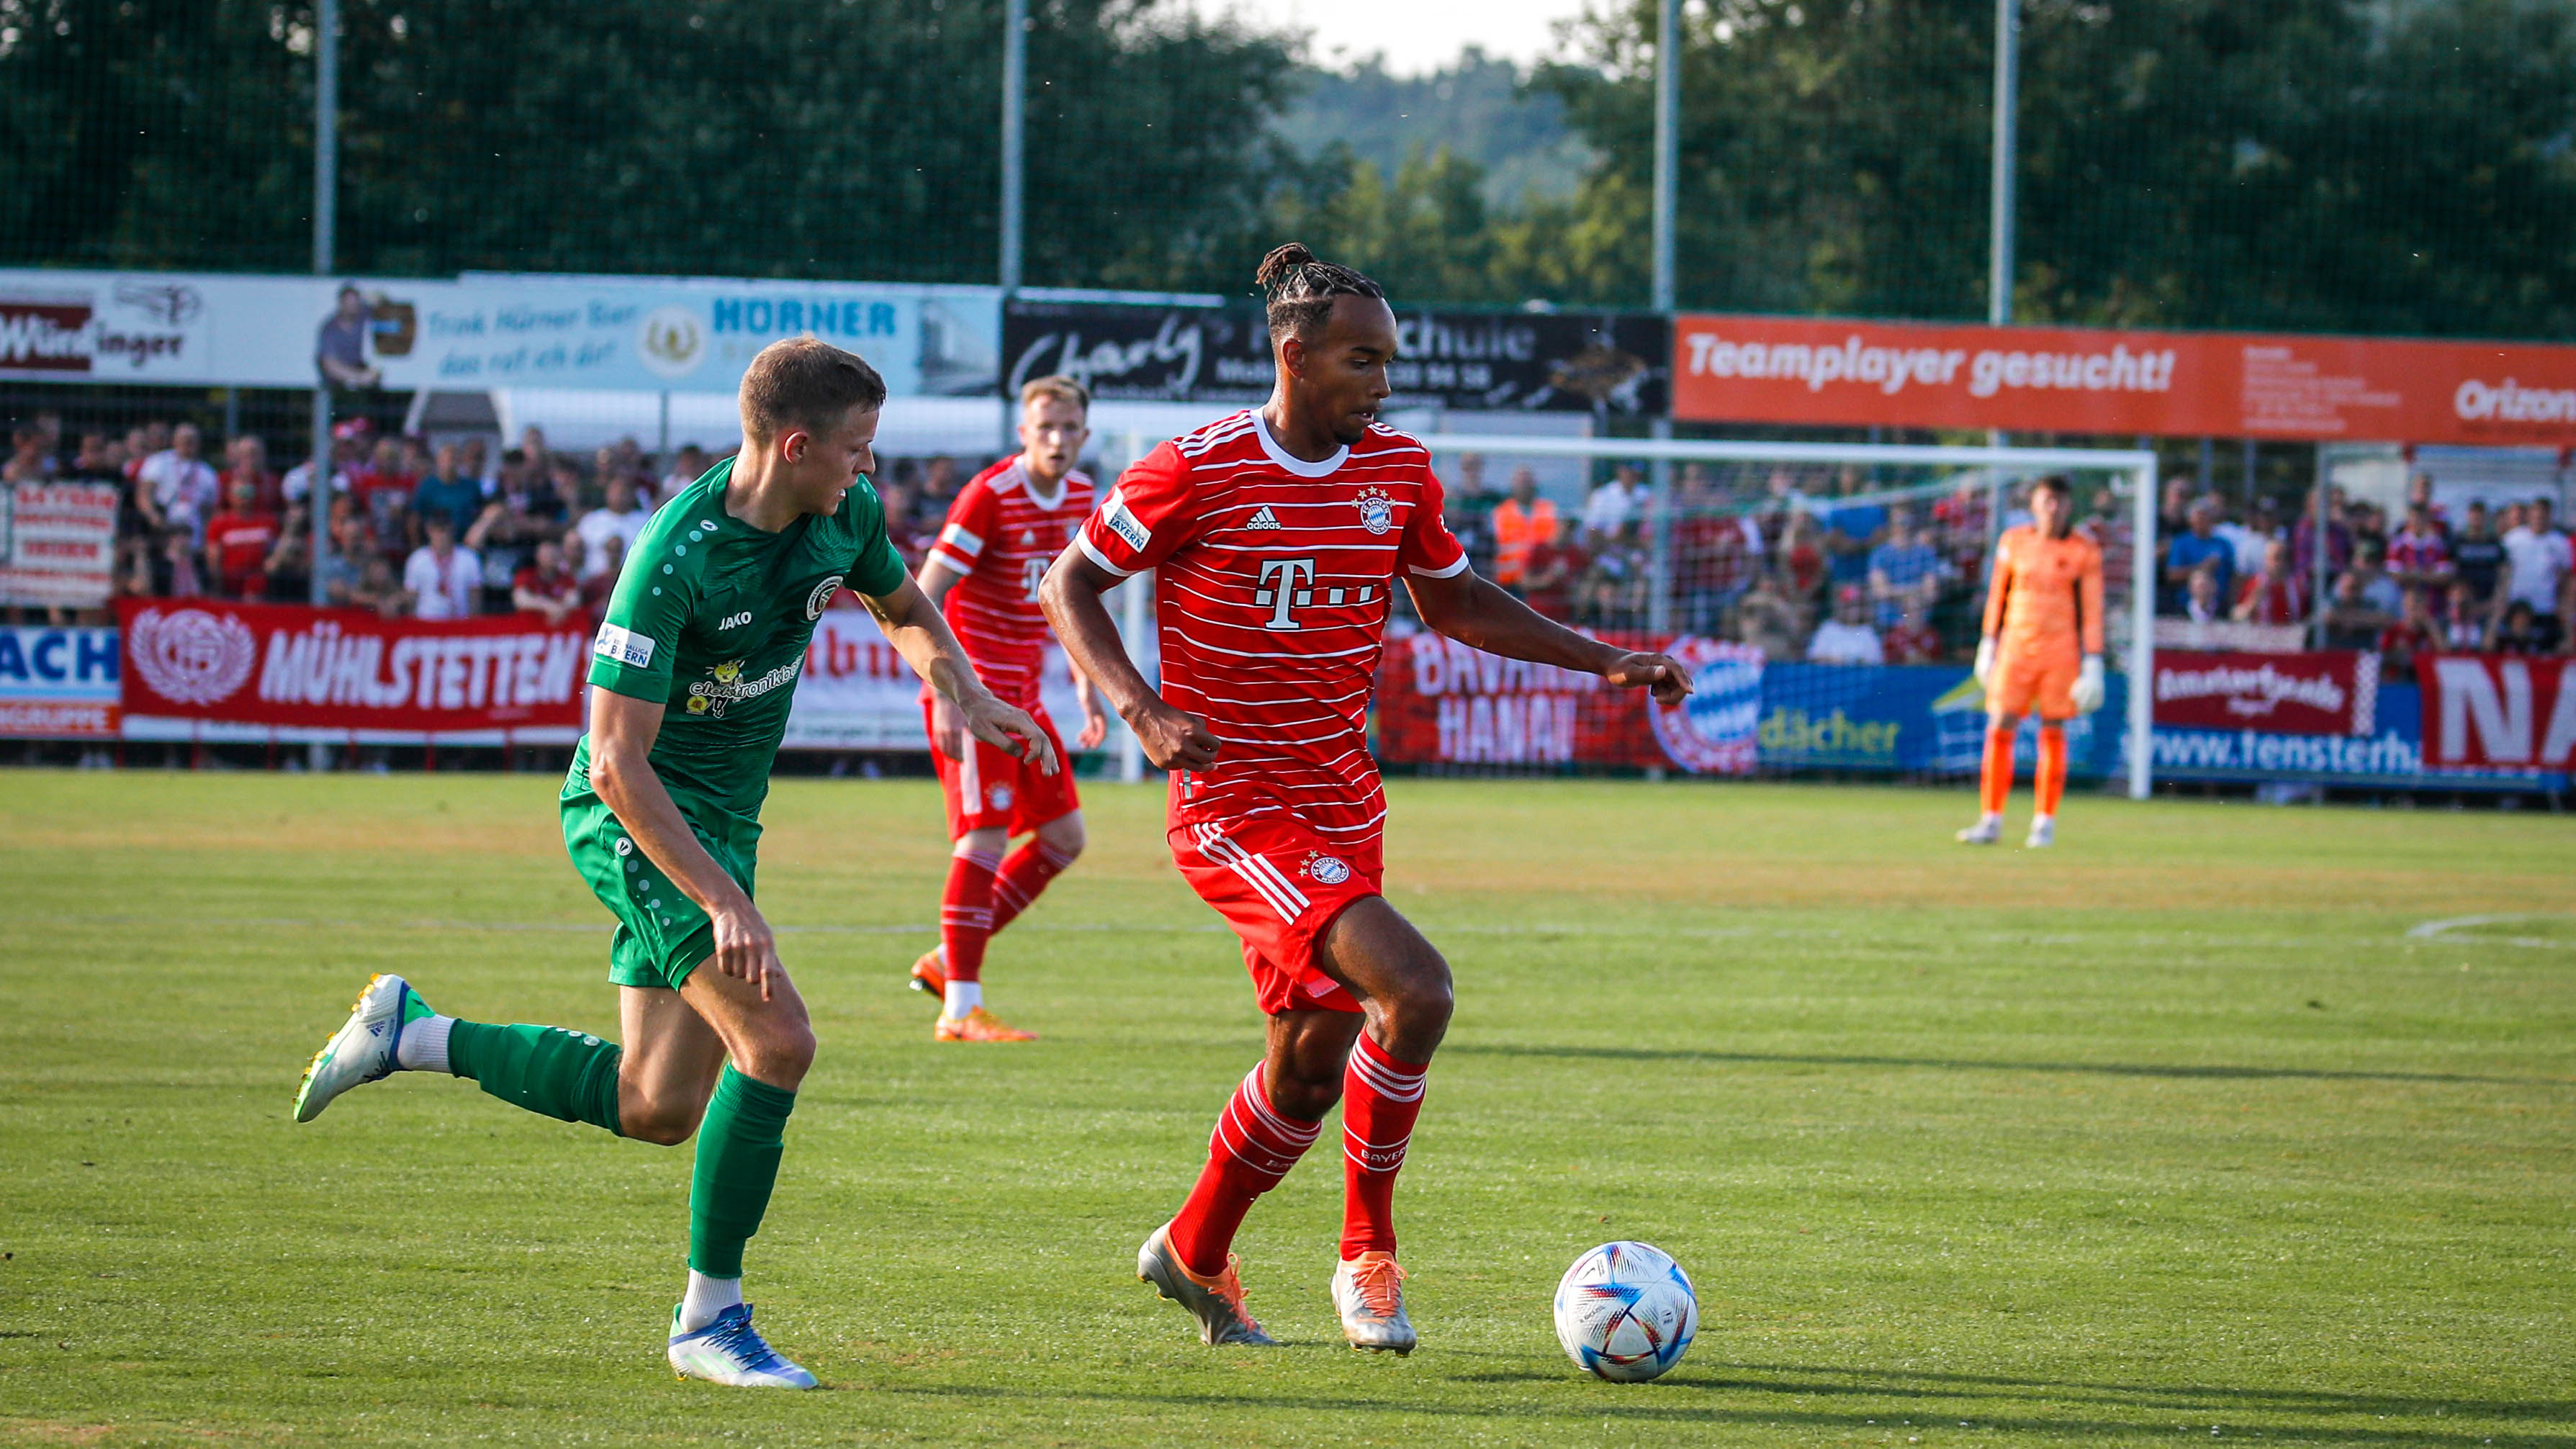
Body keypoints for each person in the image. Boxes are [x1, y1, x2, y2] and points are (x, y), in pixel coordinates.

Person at [292, 337, 1056, 1391]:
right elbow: (612, 764)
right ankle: (710, 1321)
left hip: (721, 828)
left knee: (658, 1105)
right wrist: (719, 897)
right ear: (796, 446)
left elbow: (905, 606)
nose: (868, 471)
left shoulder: (843, 515)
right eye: (856, 451)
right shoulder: (675, 557)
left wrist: (961, 691)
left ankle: (412, 1034)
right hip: (635, 819)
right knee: (779, 1040)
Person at [1040, 243, 1691, 1357]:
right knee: (1419, 991)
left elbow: (1458, 603)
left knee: (1307, 1065)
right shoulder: (1191, 469)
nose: (1382, 384)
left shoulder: (1396, 470)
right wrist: (1143, 714)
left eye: (1388, 362)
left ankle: (1192, 1249)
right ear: (1294, 355)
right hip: (1234, 811)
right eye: (1363, 360)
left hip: (1344, 804)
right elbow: (1071, 584)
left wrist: (1605, 662)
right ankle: (1366, 1256)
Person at [900, 375, 1110, 1041]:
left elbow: (1067, 596)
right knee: (984, 839)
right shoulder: (989, 495)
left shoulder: (1081, 496)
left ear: (1083, 433)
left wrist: (1082, 678)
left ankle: (947, 961)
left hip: (1024, 698)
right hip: (977, 697)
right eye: (1043, 426)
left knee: (1063, 838)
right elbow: (923, 590)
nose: (1056, 437)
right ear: (1023, 433)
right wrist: (944, 694)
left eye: (1067, 426)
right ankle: (960, 1006)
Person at [1960, 474, 2104, 851]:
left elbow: (2091, 612)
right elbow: (1997, 596)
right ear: (2034, 505)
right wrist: (1987, 644)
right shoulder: (2014, 543)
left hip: (2061, 651)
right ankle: (1990, 819)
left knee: (2053, 728)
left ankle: (2044, 823)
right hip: (2015, 647)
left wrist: (2094, 661)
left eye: (2060, 501)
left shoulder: (2083, 550)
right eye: (2047, 501)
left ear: (2070, 506)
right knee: (1999, 724)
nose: (2053, 508)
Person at [2500, 497, 2570, 651]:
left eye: (2544, 515)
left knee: (2544, 652)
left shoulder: (2559, 543)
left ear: (2550, 517)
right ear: (2530, 515)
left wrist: (2562, 605)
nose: (2540, 519)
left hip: (2545, 608)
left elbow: (2564, 578)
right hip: (2517, 608)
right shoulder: (2513, 539)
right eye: (2537, 515)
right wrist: (2502, 601)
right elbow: (2503, 574)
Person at [136, 423, 220, 546]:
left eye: (191, 440)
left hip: (193, 531)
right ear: (174, 441)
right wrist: (153, 516)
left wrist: (205, 531)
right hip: (163, 528)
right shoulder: (158, 462)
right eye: (184, 440)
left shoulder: (207, 473)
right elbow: (144, 494)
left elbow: (211, 509)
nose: (187, 443)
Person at [203, 474, 282, 599]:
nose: (244, 497)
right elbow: (213, 556)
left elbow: (276, 553)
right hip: (230, 583)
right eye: (240, 492)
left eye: (248, 492)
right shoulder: (219, 523)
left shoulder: (268, 521)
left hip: (261, 584)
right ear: (229, 495)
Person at [1865, 508, 1942, 629]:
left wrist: (1897, 592)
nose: (1904, 527)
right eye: (1899, 523)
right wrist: (1913, 593)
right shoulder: (1879, 554)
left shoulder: (1926, 553)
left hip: (1921, 624)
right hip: (1889, 624)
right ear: (1891, 526)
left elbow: (1931, 593)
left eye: (1907, 522)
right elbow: (1881, 592)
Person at [2161, 497, 2233, 616]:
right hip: (2187, 609)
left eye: (2206, 516)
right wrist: (2201, 567)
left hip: (2219, 608)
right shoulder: (2181, 543)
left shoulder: (2223, 544)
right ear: (2191, 520)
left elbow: (2233, 576)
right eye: (2199, 516)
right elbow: (2172, 575)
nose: (2203, 520)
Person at [402, 514, 482, 620]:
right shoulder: (417, 559)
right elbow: (412, 597)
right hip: (426, 622)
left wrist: (473, 624)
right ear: (429, 531)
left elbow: (475, 597)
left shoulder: (469, 558)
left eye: (445, 531)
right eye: (437, 531)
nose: (442, 536)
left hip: (460, 621)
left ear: (453, 531)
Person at [1489, 466, 1555, 592]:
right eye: (1520, 482)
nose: (1524, 486)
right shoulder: (1500, 513)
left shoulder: (1548, 510)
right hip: (1509, 583)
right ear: (1512, 485)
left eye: (1527, 481)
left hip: (1541, 580)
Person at [577, 474, 655, 580]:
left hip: (633, 581)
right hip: (593, 582)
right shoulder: (591, 521)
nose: (619, 496)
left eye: (624, 493)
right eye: (615, 492)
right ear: (607, 494)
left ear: (633, 495)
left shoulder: (646, 522)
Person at [410, 443, 487, 546]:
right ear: (439, 461)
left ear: (460, 462)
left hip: (464, 547)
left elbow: (481, 516)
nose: (450, 464)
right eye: (447, 460)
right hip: (434, 548)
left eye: (454, 459)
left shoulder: (472, 486)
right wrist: (416, 546)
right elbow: (415, 518)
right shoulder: (427, 486)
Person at [316, 284, 382, 389]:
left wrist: (371, 296)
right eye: (348, 302)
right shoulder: (330, 330)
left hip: (359, 370)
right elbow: (330, 365)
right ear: (341, 304)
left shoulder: (363, 315)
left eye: (355, 302)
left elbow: (382, 299)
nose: (352, 306)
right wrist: (360, 377)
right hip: (336, 382)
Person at [2232, 538, 2310, 626]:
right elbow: (2236, 616)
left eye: (2283, 558)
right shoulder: (2255, 583)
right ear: (2265, 560)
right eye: (2275, 558)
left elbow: (2307, 618)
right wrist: (2252, 603)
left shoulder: (2298, 586)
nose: (2280, 563)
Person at [1806, 585, 1886, 664]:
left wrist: (1857, 662)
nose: (1851, 611)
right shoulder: (1828, 628)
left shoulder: (1867, 632)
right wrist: (1834, 660)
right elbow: (1814, 656)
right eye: (1848, 606)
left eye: (1855, 606)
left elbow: (1875, 662)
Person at [510, 537, 582, 625]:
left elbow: (574, 600)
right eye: (546, 555)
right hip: (528, 629)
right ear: (538, 556)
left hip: (561, 627)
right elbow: (520, 599)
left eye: (553, 555)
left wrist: (560, 609)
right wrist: (547, 606)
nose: (550, 558)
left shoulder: (566, 578)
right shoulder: (526, 575)